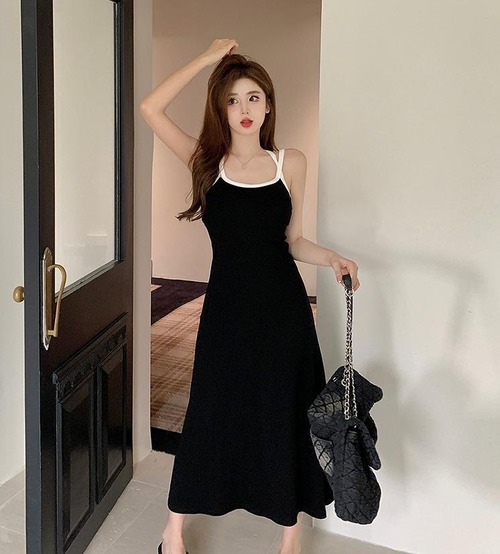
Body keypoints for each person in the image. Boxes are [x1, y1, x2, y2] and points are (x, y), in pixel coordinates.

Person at [140, 38, 360, 554]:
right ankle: (173, 530)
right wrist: (205, 59)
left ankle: (290, 536)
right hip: (226, 314)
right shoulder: (205, 161)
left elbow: (293, 241)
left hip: (284, 315)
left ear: (268, 104)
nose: (244, 108)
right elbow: (150, 108)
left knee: (285, 414)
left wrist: (332, 258)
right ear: (221, 108)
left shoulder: (290, 162)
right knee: (210, 414)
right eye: (233, 99)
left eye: (254, 97)